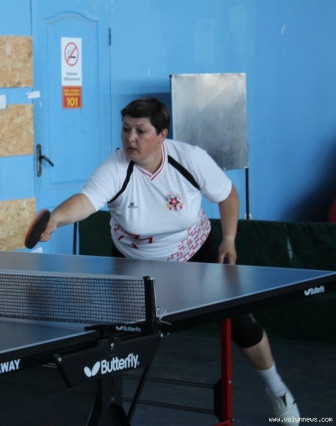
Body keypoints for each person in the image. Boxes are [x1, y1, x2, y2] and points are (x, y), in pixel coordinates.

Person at [33, 98, 300, 425]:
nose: (130, 138)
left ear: (162, 135)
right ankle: (99, 408)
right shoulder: (115, 168)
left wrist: (229, 239)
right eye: (125, 129)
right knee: (111, 336)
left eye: (140, 131)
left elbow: (227, 194)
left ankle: (278, 391)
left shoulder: (190, 159)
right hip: (134, 262)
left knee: (241, 322)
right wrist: (56, 218)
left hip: (195, 251)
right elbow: (86, 201)